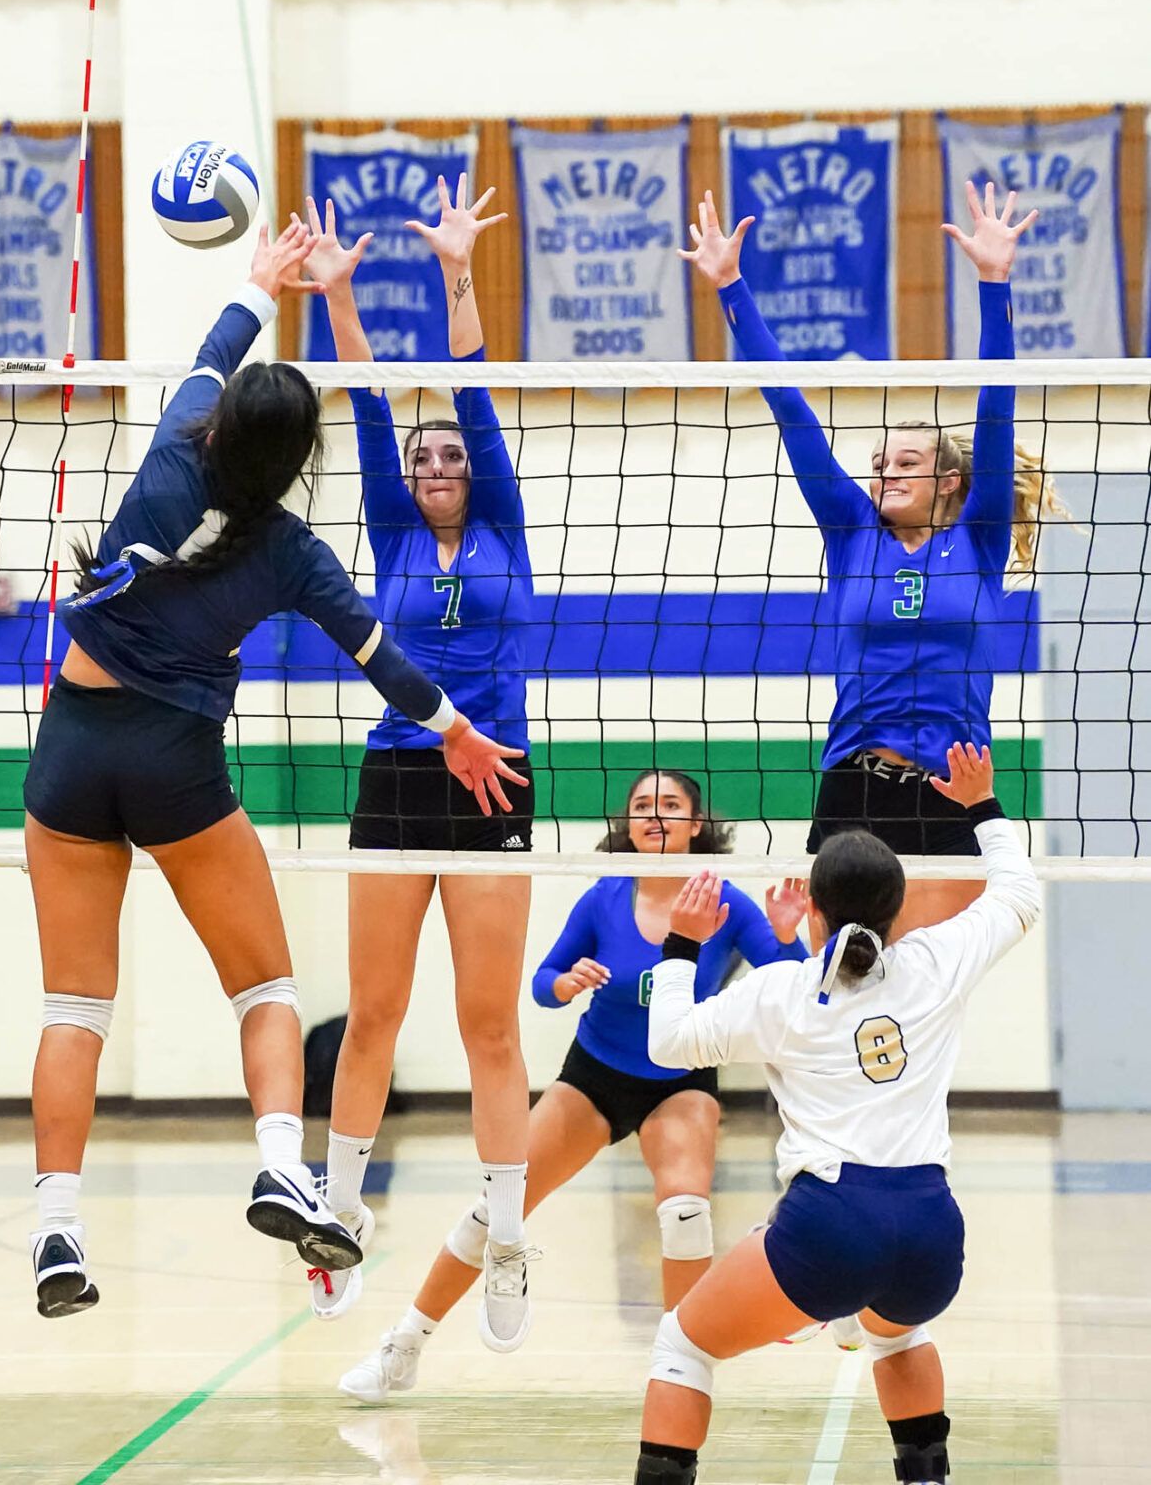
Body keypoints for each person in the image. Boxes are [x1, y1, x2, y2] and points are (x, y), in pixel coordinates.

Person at [22, 220, 522, 1319]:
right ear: (300, 463)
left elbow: (218, 344)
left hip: (69, 751)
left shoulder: (166, 453)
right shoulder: (293, 553)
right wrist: (452, 728)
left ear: (219, 422)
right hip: (174, 767)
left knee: (75, 1006)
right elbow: (382, 659)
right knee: (267, 988)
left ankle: (56, 1228)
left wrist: (258, 279)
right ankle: (278, 1160)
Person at [631, 742, 1041, 1485]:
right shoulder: (935, 963)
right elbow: (1019, 895)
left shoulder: (782, 992)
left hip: (830, 1227)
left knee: (682, 1344)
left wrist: (682, 943)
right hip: (929, 1231)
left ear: (813, 907)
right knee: (897, 1335)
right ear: (898, 907)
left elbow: (667, 1045)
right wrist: (981, 806)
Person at [337, 768, 809, 1400]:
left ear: (698, 826)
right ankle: (404, 1346)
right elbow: (543, 980)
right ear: (628, 823)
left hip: (682, 1082)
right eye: (643, 804)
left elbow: (794, 984)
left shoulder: (723, 901)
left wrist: (785, 934)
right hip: (594, 1076)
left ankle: (681, 1371)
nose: (655, 815)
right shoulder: (603, 898)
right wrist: (564, 984)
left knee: (686, 1212)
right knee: (495, 1209)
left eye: (670, 805)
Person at [682, 182, 1067, 937]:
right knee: (837, 986)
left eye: (905, 462)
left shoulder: (978, 539)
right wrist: (732, 288)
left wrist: (995, 283)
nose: (884, 473)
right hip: (856, 789)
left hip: (954, 789)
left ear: (949, 481)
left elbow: (997, 404)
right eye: (879, 461)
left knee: (926, 996)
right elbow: (791, 409)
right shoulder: (854, 534)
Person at [301, 179, 537, 1345]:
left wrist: (454, 274)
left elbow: (477, 393)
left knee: (489, 1024)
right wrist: (339, 295)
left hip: (494, 776)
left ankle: (505, 1238)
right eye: (424, 450)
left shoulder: (498, 523)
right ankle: (336, 1218)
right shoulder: (393, 529)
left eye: (452, 448)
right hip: (397, 773)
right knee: (374, 1016)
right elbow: (358, 402)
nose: (438, 456)